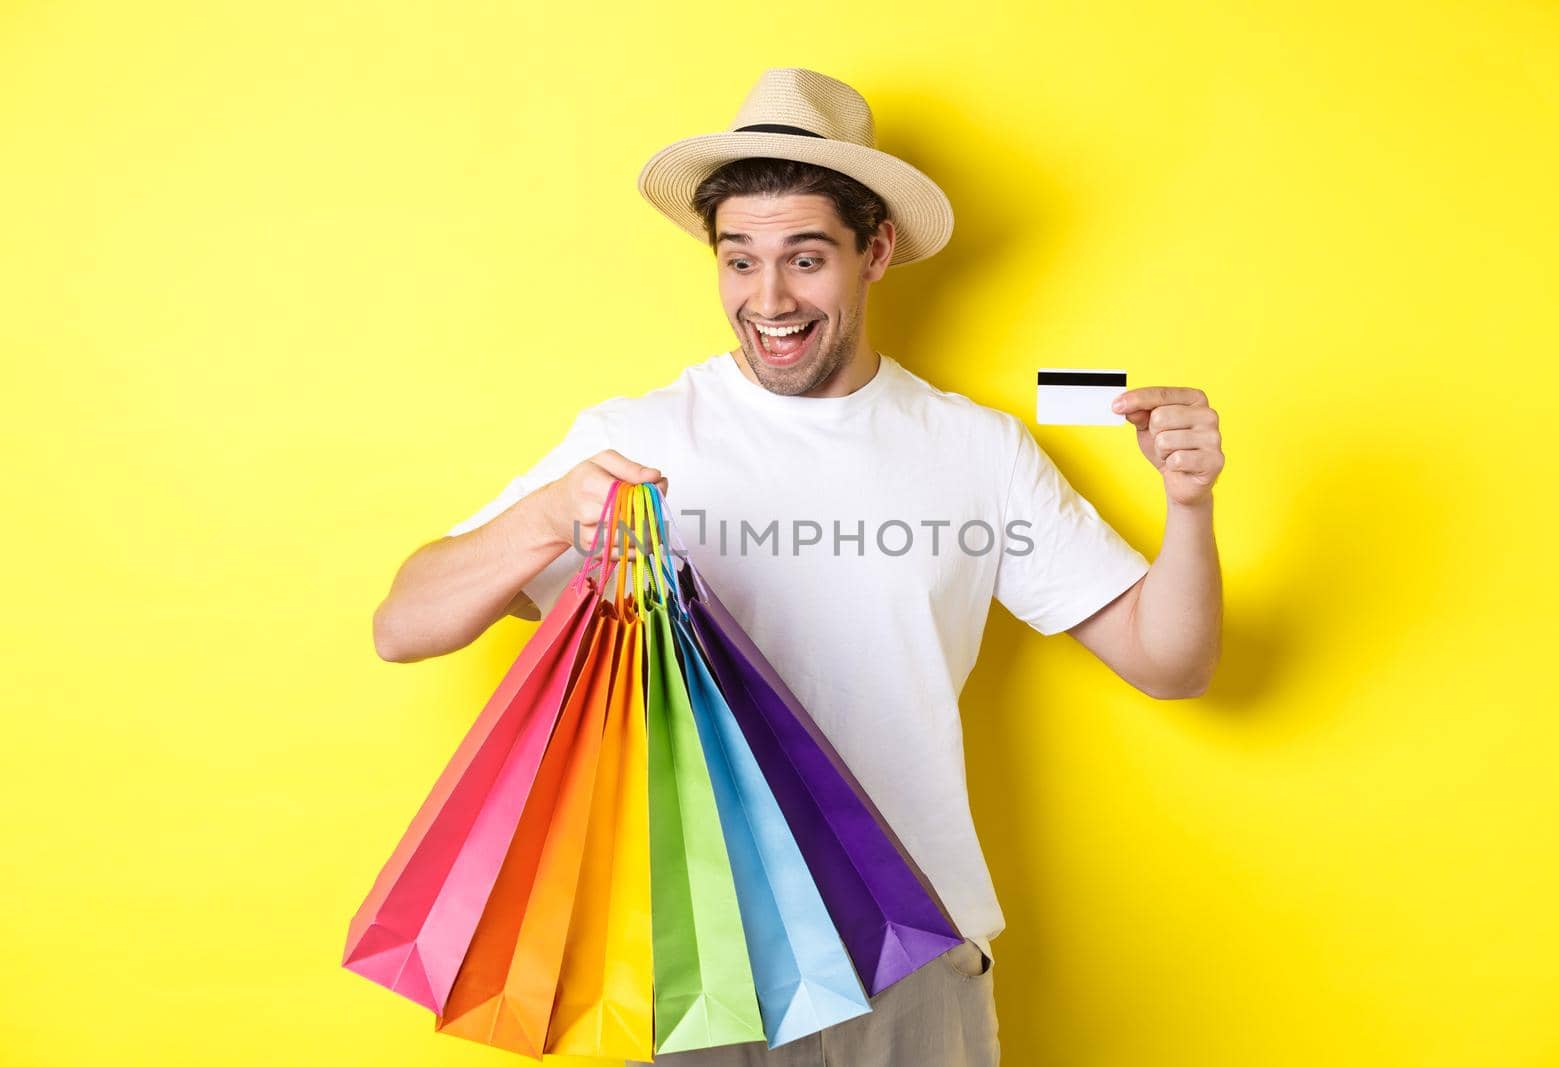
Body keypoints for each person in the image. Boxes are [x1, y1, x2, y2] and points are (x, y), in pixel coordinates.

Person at [372, 67, 1224, 1067]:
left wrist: (1189, 504)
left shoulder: (974, 448)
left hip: (916, 952)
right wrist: (550, 514)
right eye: (739, 261)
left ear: (876, 249)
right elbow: (404, 624)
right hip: (708, 959)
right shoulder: (635, 436)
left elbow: (1170, 662)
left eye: (805, 257)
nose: (767, 298)